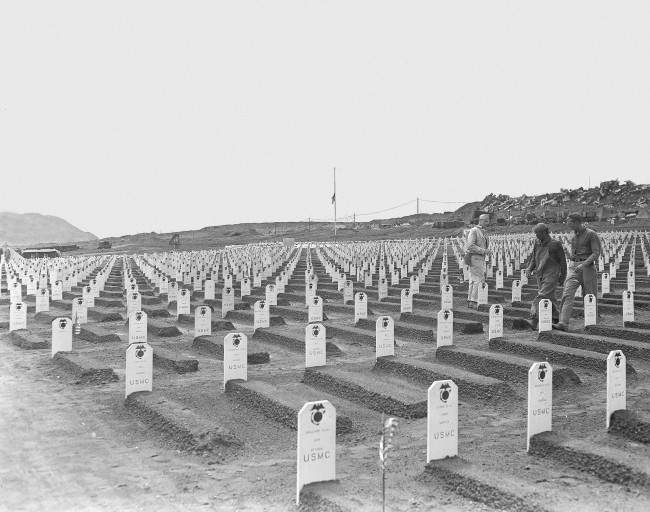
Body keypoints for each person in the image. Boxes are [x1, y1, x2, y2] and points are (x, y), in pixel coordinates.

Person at [553, 213, 601, 331]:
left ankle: (592, 321)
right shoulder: (574, 236)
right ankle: (563, 322)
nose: (567, 224)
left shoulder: (591, 234)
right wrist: (568, 256)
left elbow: (596, 253)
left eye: (569, 222)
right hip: (574, 267)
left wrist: (583, 264)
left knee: (589, 295)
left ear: (576, 222)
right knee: (567, 292)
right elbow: (575, 254)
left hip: (587, 268)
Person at [525, 223, 567, 329]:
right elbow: (534, 258)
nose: (536, 236)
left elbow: (563, 261)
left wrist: (563, 275)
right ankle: (557, 317)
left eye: (537, 233)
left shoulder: (555, 244)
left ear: (544, 232)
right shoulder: (537, 242)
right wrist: (529, 268)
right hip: (540, 274)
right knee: (550, 298)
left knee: (542, 296)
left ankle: (534, 319)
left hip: (552, 274)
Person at [464, 214, 490, 309]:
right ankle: (474, 301)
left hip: (480, 257)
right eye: (487, 221)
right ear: (482, 220)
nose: (488, 223)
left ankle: (471, 301)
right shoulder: (474, 231)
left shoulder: (483, 232)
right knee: (477, 279)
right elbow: (470, 245)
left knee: (475, 279)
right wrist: (483, 251)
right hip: (475, 257)